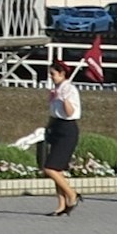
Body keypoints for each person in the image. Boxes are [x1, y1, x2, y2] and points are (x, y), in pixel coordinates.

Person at [39, 49, 89, 215]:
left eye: (53, 74)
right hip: (56, 126)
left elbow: (70, 112)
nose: (51, 77)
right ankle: (61, 205)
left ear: (61, 74)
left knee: (50, 168)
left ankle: (72, 194)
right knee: (57, 170)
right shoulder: (56, 89)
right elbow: (53, 112)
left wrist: (64, 99)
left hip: (68, 129)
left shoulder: (70, 90)